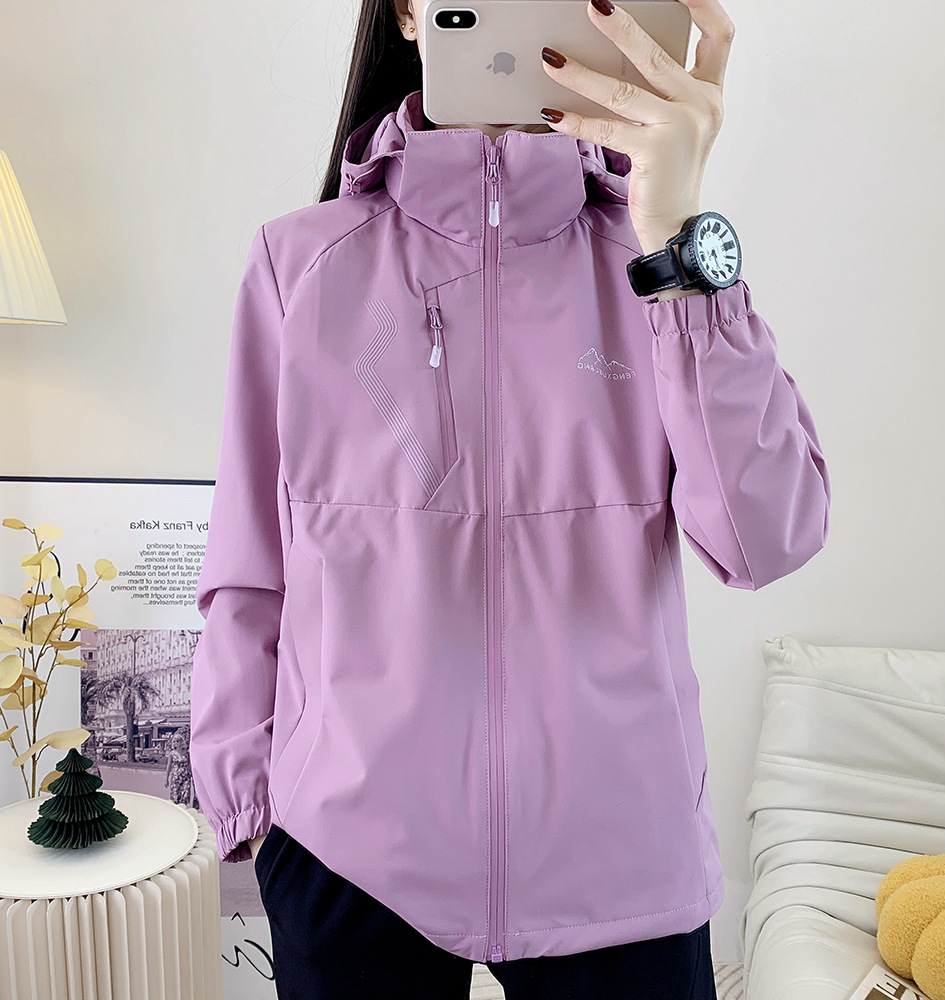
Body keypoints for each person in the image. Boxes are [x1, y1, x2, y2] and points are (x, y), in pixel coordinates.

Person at [189, 0, 831, 995]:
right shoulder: (299, 262)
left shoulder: (652, 264)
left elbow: (767, 539)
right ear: (409, 11)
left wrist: (677, 239)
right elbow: (249, 564)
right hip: (350, 855)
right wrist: (249, 806)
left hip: (622, 859)